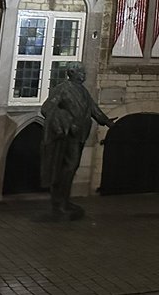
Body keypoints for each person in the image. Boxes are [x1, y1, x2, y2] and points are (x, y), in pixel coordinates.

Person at [40, 63, 114, 220]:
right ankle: (58, 202)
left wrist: (106, 121)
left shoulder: (82, 90)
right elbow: (47, 108)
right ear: (72, 73)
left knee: (71, 169)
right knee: (65, 168)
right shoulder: (63, 88)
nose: (84, 75)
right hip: (66, 135)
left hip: (79, 135)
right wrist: (66, 121)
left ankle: (64, 201)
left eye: (84, 72)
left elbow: (93, 108)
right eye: (81, 72)